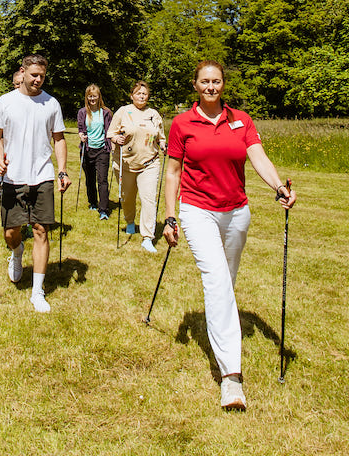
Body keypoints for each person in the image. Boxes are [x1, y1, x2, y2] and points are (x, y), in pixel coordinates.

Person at [162, 60, 296, 412]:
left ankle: (219, 323)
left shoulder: (241, 119)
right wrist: (170, 216)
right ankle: (231, 378)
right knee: (218, 281)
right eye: (204, 81)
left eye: (216, 81)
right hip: (197, 210)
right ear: (195, 85)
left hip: (237, 211)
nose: (211, 87)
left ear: (223, 84)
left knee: (226, 283)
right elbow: (172, 173)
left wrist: (279, 186)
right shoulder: (181, 123)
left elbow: (258, 157)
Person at [0, 55, 72, 313]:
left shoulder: (51, 104)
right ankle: (16, 252)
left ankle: (38, 291)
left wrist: (62, 171)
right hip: (13, 176)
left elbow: (59, 139)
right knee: (11, 232)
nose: (38, 80)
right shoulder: (6, 102)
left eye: (42, 76)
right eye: (34, 75)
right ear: (23, 72)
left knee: (41, 230)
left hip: (42, 175)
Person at [108, 80, 165, 251]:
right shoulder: (123, 111)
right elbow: (111, 132)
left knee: (149, 199)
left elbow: (160, 135)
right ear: (132, 95)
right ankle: (130, 221)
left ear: (148, 96)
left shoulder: (154, 114)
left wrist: (162, 143)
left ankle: (148, 237)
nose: (141, 96)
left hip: (150, 162)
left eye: (144, 93)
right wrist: (115, 138)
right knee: (127, 197)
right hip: (125, 163)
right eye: (138, 93)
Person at [75, 84, 113, 218]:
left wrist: (112, 143)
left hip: (102, 149)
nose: (92, 99)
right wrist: (81, 136)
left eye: (94, 96)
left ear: (99, 97)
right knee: (89, 179)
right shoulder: (83, 112)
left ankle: (103, 209)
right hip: (87, 149)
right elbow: (80, 129)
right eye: (90, 96)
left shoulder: (106, 112)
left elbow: (110, 130)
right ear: (87, 97)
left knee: (102, 179)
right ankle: (92, 202)